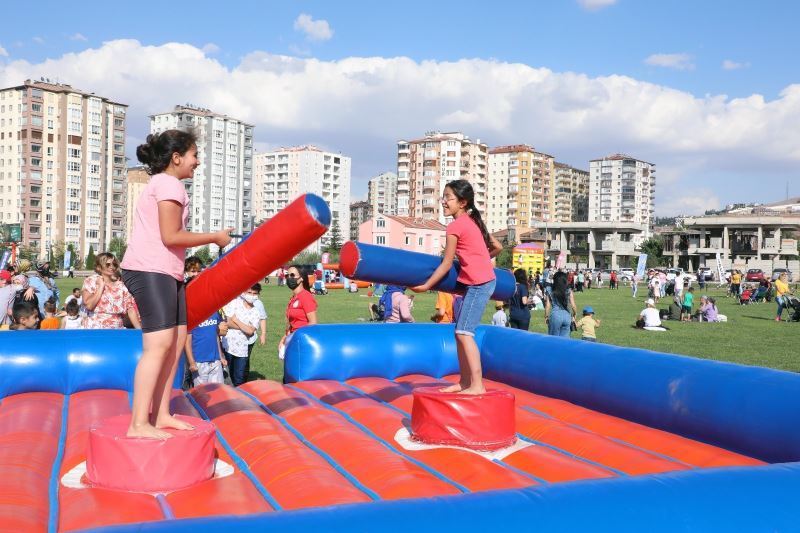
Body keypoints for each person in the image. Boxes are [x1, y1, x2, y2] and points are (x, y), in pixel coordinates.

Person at [120, 130, 232, 439]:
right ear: (177, 157)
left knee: (177, 339)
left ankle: (162, 414)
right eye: (195, 155)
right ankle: (139, 423)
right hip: (149, 269)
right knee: (158, 346)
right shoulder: (169, 185)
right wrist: (214, 236)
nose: (198, 161)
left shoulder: (167, 184)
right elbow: (171, 236)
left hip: (169, 272)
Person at [412, 179, 502, 395]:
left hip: (480, 284)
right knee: (458, 332)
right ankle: (464, 382)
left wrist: (426, 286)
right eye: (443, 197)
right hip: (482, 280)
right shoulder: (472, 221)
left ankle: (477, 385)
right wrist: (479, 259)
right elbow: (497, 247)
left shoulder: (455, 225)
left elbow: (446, 263)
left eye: (448, 198)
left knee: (464, 332)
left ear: (462, 202)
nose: (443, 202)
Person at [82, 252, 141, 330]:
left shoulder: (121, 286)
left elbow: (130, 309)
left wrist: (139, 331)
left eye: (114, 264)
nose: (112, 267)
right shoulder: (91, 281)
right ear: (99, 267)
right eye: (108, 264)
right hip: (94, 328)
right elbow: (89, 306)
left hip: (116, 329)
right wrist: (100, 287)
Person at [223, 285, 262, 386]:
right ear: (244, 292)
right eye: (249, 293)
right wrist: (245, 327)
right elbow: (227, 322)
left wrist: (236, 320)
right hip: (227, 346)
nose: (252, 295)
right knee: (226, 377)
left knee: (239, 379)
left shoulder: (256, 312)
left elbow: (250, 331)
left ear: (258, 295)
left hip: (242, 350)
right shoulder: (235, 303)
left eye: (255, 294)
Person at [184, 301, 228, 387]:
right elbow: (187, 341)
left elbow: (216, 336)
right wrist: (192, 362)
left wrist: (221, 356)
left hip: (215, 360)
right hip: (199, 362)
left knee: (218, 390)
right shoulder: (192, 316)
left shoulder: (214, 313)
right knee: (202, 394)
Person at [279, 265, 319, 358]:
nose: (289, 278)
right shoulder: (293, 298)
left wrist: (294, 336)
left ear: (301, 278)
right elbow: (292, 324)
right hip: (294, 340)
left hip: (303, 342)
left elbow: (313, 323)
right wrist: (284, 339)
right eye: (287, 275)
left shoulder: (306, 296)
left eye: (292, 275)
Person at [545, 271, 577, 337]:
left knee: (553, 339)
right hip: (567, 315)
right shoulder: (568, 290)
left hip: (555, 315)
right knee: (565, 341)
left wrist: (546, 316)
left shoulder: (550, 290)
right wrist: (574, 314)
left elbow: (547, 306)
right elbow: (573, 306)